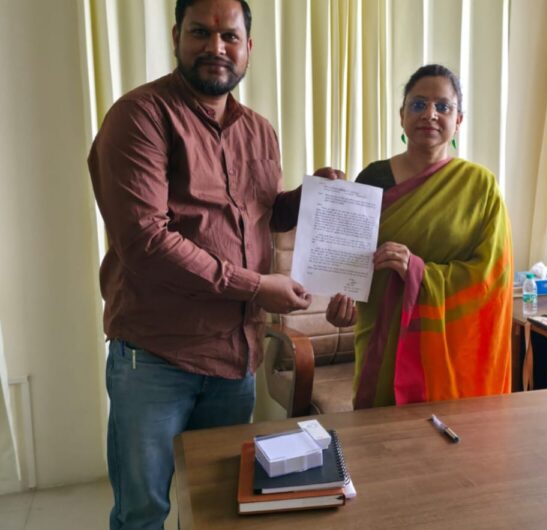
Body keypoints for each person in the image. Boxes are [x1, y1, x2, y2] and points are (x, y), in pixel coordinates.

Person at [88, 1, 342, 528]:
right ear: (176, 36)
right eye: (200, 33)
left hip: (233, 359)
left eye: (229, 37)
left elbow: (261, 215)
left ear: (248, 47)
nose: (216, 47)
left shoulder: (259, 130)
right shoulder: (140, 117)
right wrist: (256, 287)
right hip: (156, 357)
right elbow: (146, 242)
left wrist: (310, 197)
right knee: (143, 510)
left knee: (216, 506)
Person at [326, 64, 513, 408]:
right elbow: (349, 266)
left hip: (449, 351)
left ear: (458, 120)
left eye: (443, 106)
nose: (430, 114)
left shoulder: (480, 187)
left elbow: (490, 279)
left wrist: (417, 271)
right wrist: (342, 306)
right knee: (381, 435)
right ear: (402, 115)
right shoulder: (373, 179)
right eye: (418, 104)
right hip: (382, 337)